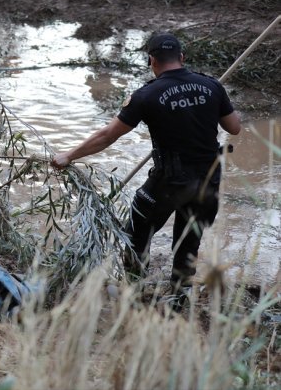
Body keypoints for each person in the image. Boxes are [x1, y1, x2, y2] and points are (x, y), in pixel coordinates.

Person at [51, 33, 241, 297]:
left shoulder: (147, 95)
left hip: (169, 181)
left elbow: (107, 136)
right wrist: (209, 103)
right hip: (209, 179)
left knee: (136, 231)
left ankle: (134, 291)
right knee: (188, 240)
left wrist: (69, 156)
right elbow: (234, 127)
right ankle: (179, 298)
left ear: (151, 60)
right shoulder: (211, 86)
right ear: (182, 58)